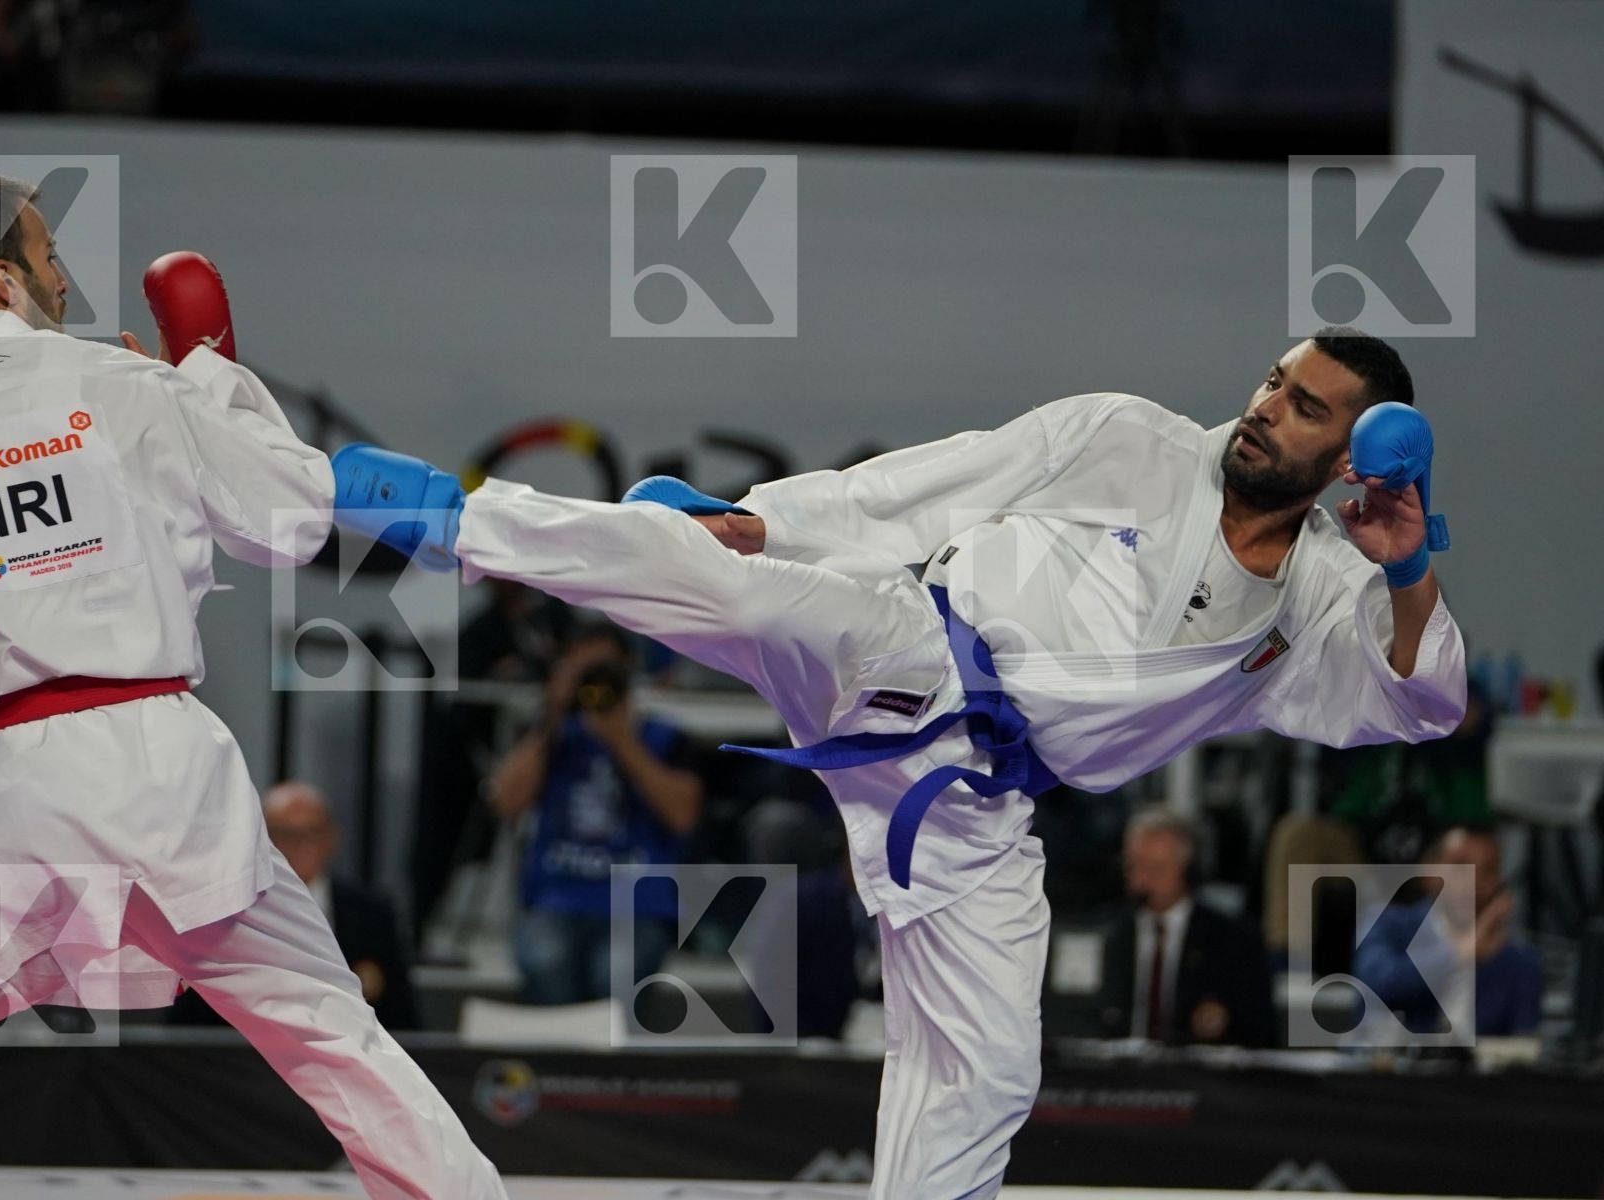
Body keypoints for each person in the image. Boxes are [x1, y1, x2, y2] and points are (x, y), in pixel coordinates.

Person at [335, 327, 1466, 1198]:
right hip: (912, 654)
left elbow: (1421, 704)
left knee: (986, 1074)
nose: (1266, 408)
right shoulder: (1134, 439)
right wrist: (763, 521)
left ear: (1354, 452)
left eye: (1305, 406)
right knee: (723, 581)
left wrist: (1410, 569)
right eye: (1273, 380)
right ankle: (456, 519)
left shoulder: (1329, 591)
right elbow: (935, 481)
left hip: (980, 808)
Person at [0, 171, 504, 1200]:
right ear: (0, 278)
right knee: (341, 1044)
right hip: (163, 775)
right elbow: (290, 521)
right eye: (48, 257)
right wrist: (209, 375)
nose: (65, 274)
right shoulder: (126, 386)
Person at [486, 622, 704, 1005]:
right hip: (556, 898)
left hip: (636, 905)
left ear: (629, 668)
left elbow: (683, 816)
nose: (596, 685)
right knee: (546, 960)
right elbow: (504, 801)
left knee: (614, 975)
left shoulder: (663, 736)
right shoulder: (554, 736)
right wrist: (552, 714)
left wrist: (621, 738)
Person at [175, 781, 422, 1031]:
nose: (300, 845)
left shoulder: (373, 914)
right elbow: (192, 1027)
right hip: (246, 1059)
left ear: (331, 838)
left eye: (311, 832)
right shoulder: (227, 911)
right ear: (262, 839)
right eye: (285, 834)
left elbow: (402, 1019)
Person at [1098, 806, 1276, 1047]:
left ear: (1186, 867)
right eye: (1134, 866)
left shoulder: (1234, 941)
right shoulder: (1112, 935)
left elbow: (1258, 1035)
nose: (1141, 880)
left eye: (1155, 868)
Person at [1355, 825, 1542, 1038]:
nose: (1472, 881)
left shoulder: (1521, 964)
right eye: (1459, 865)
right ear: (1428, 871)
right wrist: (1460, 954)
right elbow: (1378, 985)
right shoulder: (1386, 924)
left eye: (1487, 870)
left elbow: (1523, 1052)